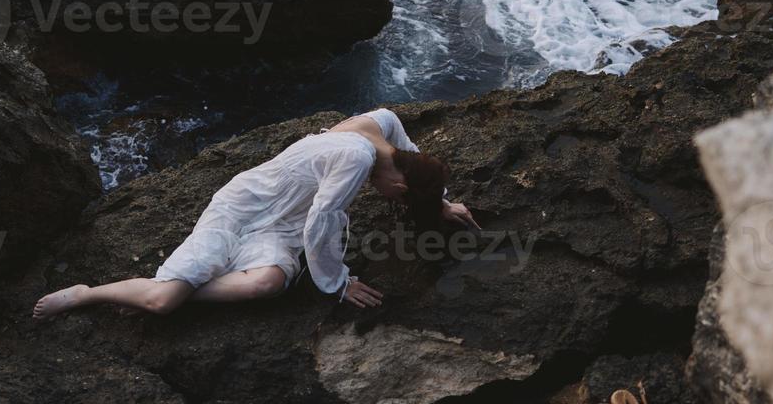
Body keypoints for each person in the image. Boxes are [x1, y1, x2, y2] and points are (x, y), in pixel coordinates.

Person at [33, 108, 477, 316]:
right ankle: (87, 293)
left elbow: (414, 154)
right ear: (397, 184)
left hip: (282, 225)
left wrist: (438, 202)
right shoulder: (357, 158)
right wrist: (338, 283)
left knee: (268, 284)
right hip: (242, 209)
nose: (390, 201)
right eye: (397, 199)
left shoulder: (380, 123)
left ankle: (187, 285)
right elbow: (322, 221)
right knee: (161, 302)